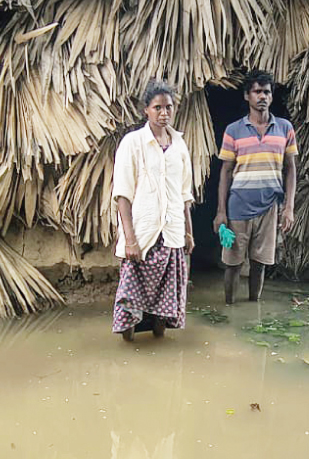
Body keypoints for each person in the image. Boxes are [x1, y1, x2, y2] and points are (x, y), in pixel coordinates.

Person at [111, 80, 194, 341]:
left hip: (171, 235)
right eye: (157, 107)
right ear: (146, 110)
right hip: (143, 236)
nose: (164, 113)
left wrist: (188, 234)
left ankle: (158, 349)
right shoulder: (132, 142)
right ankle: (129, 350)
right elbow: (122, 195)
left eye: (168, 107)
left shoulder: (179, 145)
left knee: (164, 309)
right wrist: (130, 240)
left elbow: (184, 194)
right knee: (130, 306)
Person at [214, 71, 297, 303]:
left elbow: (290, 169)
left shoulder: (284, 128)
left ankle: (253, 306)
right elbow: (225, 172)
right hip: (238, 206)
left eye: (267, 92)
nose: (262, 96)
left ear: (271, 97)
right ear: (247, 96)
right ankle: (229, 306)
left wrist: (288, 207)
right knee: (233, 263)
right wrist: (221, 211)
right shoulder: (233, 130)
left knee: (260, 263)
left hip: (270, 206)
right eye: (257, 91)